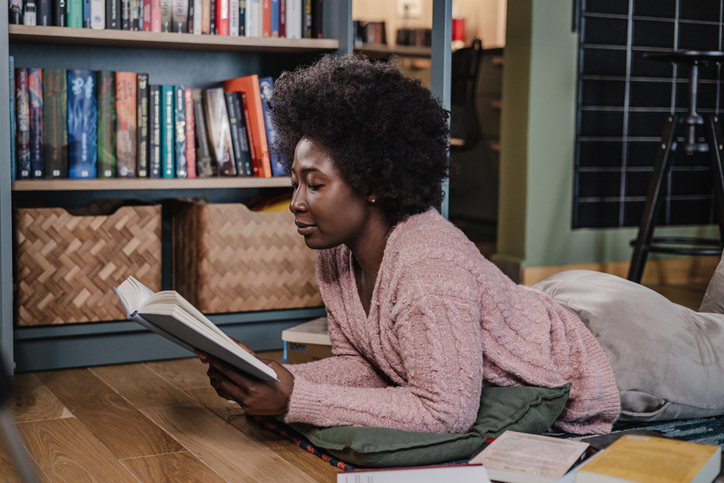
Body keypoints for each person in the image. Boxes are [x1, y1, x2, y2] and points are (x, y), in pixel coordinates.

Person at [198, 54, 724, 436]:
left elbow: (446, 412)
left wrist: (297, 399)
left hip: (618, 352)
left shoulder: (426, 263)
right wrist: (275, 376)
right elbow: (370, 369)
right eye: (295, 183)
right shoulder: (336, 256)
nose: (295, 201)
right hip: (552, 305)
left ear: (373, 182)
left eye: (315, 184)